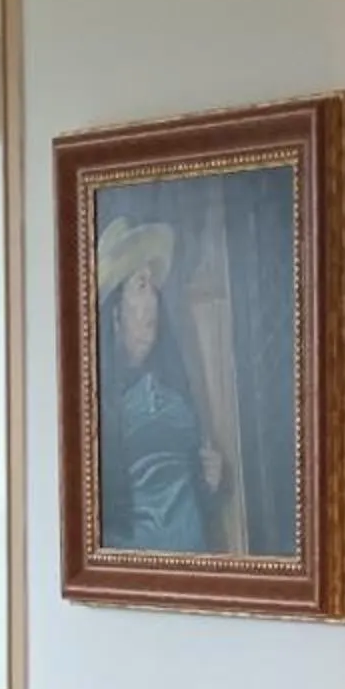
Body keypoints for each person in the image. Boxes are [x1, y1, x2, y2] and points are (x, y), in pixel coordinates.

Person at [95, 215, 229, 551]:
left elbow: (197, 498)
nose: (152, 300)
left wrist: (210, 481)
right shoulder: (97, 407)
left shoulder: (175, 392)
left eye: (153, 288)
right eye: (140, 287)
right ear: (114, 313)